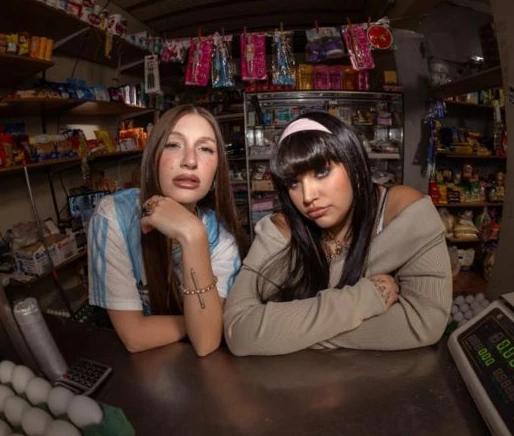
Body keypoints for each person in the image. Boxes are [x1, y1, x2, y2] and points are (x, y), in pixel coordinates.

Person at [224, 112, 452, 356]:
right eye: (293, 183)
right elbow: (239, 331)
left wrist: (286, 333)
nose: (308, 196)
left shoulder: (403, 213)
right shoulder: (281, 228)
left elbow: (424, 323)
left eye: (322, 171)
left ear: (352, 162)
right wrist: (363, 299)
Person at [88, 104, 247, 356]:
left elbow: (206, 343)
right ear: (153, 157)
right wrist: (203, 322)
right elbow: (134, 336)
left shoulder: (221, 238)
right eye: (173, 145)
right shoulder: (114, 216)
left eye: (205, 149)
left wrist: (192, 235)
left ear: (217, 171)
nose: (190, 161)